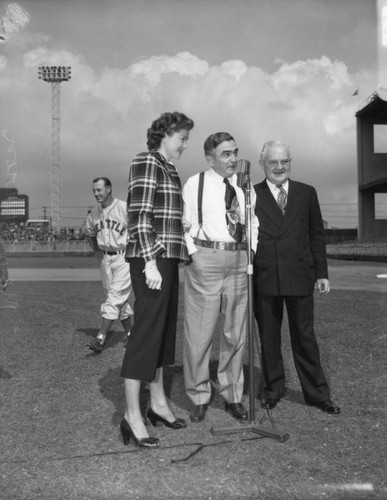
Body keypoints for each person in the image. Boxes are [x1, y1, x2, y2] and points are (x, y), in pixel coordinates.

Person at [120, 111, 194, 448]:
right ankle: (132, 416)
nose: (184, 145)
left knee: (162, 336)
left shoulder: (170, 168)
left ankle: (159, 404)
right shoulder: (146, 161)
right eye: (182, 139)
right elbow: (139, 214)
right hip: (151, 259)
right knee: (146, 336)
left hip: (168, 259)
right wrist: (149, 261)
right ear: (165, 134)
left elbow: (167, 217)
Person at [253, 140, 340, 414]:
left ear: (290, 162)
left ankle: (317, 394)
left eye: (284, 162)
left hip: (300, 276)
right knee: (269, 336)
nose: (279, 167)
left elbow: (316, 233)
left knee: (304, 336)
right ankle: (273, 389)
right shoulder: (250, 194)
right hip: (265, 276)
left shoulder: (306, 192)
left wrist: (321, 273)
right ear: (262, 164)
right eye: (273, 162)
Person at [182, 132, 259, 423]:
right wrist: (194, 255)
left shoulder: (243, 187)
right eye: (226, 154)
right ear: (210, 158)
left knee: (235, 333)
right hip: (206, 260)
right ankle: (199, 395)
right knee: (199, 334)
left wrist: (250, 249)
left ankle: (232, 395)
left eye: (234, 152)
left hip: (239, 261)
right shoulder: (194, 183)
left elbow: (253, 222)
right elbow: (182, 222)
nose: (233, 159)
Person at [85, 177, 133, 354]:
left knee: (114, 297)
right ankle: (130, 333)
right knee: (117, 298)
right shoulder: (94, 214)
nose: (96, 193)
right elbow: (89, 233)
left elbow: (137, 229)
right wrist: (96, 250)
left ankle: (100, 338)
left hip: (123, 257)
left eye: (99, 190)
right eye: (94, 191)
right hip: (105, 259)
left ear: (109, 189)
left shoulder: (123, 207)